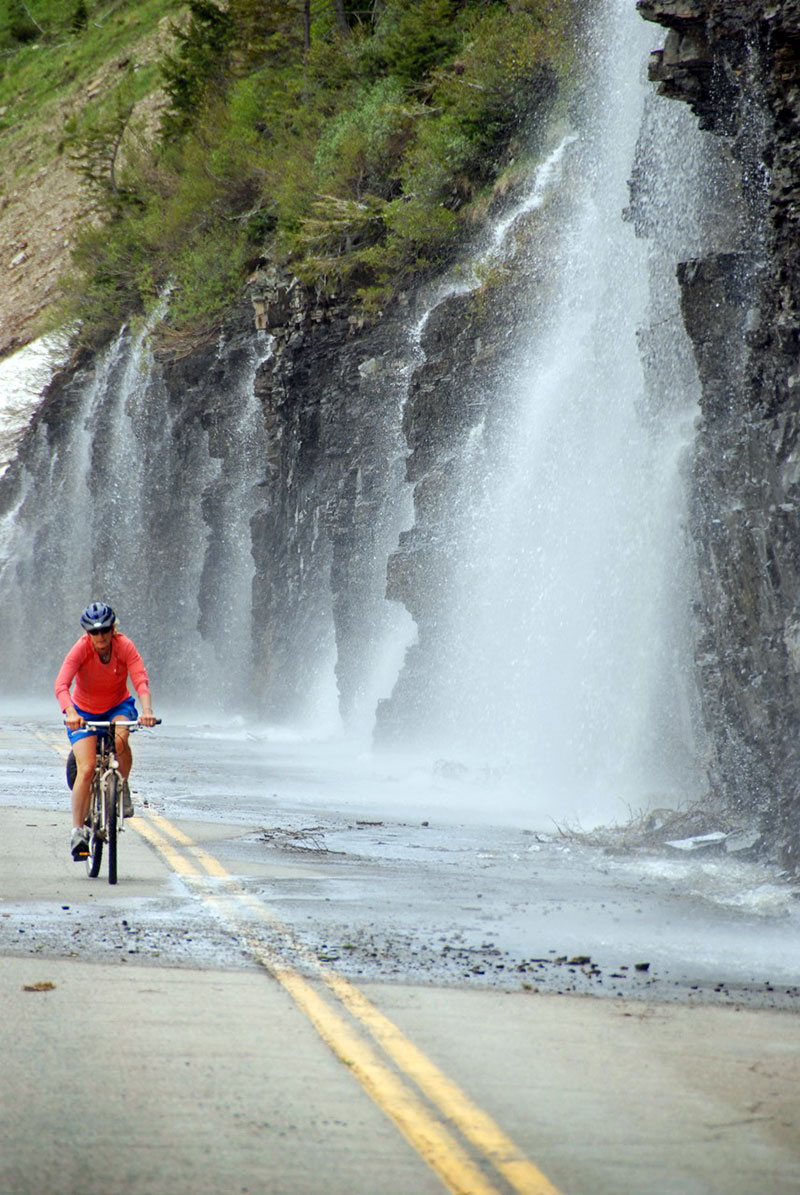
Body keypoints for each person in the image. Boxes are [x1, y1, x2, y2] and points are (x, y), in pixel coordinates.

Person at [54, 601, 157, 860]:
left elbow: (140, 680)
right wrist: (71, 713)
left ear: (113, 629)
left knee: (121, 740)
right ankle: (78, 832)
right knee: (87, 768)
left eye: (104, 630)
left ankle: (121, 787)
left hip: (117, 706)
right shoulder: (80, 649)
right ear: (87, 633)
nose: (99, 637)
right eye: (93, 632)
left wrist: (146, 711)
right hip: (84, 712)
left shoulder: (125, 646)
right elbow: (61, 685)